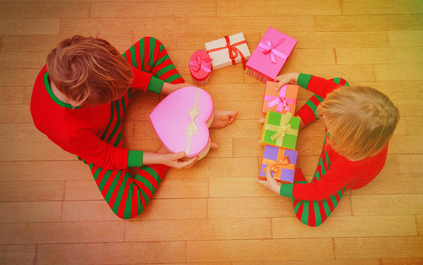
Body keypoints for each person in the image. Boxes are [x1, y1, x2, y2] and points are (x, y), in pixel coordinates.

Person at [30, 35, 237, 219]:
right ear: (80, 102)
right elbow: (106, 156)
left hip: (108, 93)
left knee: (150, 47)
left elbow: (126, 75)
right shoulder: (67, 130)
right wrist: (162, 158)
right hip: (103, 137)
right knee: (127, 207)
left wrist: (170, 89)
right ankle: (178, 138)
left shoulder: (69, 62)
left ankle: (190, 114)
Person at [257, 72, 399, 227]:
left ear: (344, 142)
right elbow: (327, 87)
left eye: (329, 127)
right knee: (339, 83)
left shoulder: (347, 165)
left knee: (310, 217)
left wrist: (280, 188)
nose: (323, 119)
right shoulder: (362, 131)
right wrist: (295, 77)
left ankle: (292, 163)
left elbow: (318, 191)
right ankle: (295, 125)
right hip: (344, 144)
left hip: (341, 170)